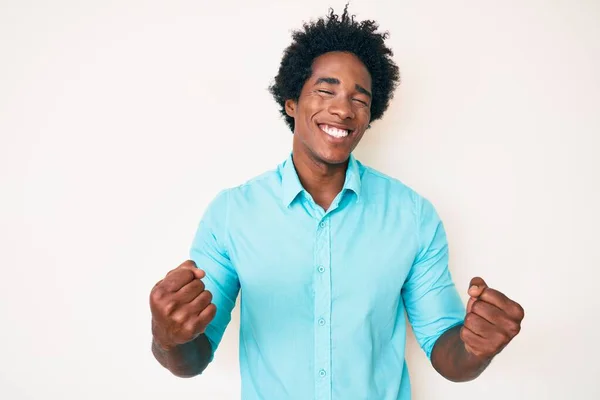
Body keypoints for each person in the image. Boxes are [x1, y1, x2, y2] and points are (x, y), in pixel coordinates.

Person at [149, 6, 524, 399]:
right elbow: (192, 358)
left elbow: (447, 352)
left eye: (359, 100)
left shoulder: (412, 216)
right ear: (292, 102)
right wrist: (167, 337)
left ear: (370, 115)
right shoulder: (231, 214)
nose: (343, 109)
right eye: (326, 91)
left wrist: (476, 346)